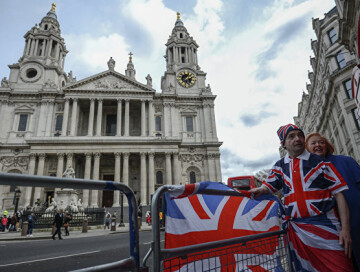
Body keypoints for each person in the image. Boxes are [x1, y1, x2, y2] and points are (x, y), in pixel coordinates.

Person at [250, 124, 353, 271]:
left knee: (341, 267)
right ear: (283, 144)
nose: (298, 139)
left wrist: (346, 230)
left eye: (300, 135)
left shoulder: (320, 162)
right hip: (298, 232)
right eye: (291, 136)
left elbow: (339, 194)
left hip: (327, 228)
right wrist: (260, 189)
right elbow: (268, 186)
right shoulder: (279, 166)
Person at [306, 132, 360, 270]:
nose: (318, 145)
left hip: (356, 220)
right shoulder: (308, 172)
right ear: (307, 149)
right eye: (313, 143)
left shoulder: (346, 161)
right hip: (332, 229)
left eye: (321, 142)